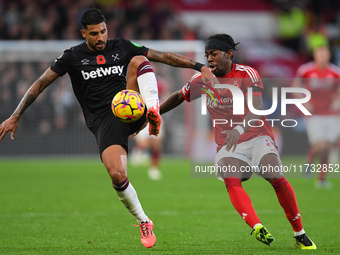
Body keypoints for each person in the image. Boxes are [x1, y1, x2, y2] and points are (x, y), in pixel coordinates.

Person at [0, 8, 215, 249]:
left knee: (140, 59)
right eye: (94, 34)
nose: (101, 38)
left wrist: (200, 66)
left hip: (130, 104)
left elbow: (162, 56)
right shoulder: (72, 56)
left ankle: (152, 111)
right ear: (84, 33)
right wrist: (15, 115)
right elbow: (40, 84)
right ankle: (144, 220)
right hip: (103, 120)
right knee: (117, 174)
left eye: (103, 32)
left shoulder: (121, 46)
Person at [158, 33, 317, 250]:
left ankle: (299, 233)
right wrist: (155, 113)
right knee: (230, 177)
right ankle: (257, 226)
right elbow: (178, 96)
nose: (209, 59)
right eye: (206, 55)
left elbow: (257, 108)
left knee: (276, 177)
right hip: (229, 145)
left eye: (213, 54)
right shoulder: (202, 79)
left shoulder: (247, 74)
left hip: (257, 136)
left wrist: (238, 128)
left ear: (229, 54)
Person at [292, 45, 340, 188]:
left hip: (331, 114)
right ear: (315, 55)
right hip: (314, 114)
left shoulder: (335, 72)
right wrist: (303, 102)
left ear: (329, 56)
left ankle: (321, 180)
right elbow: (295, 86)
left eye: (324, 54)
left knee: (327, 146)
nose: (322, 57)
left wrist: (337, 101)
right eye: (320, 54)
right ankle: (309, 163)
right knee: (320, 145)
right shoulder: (306, 70)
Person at [130, 68, 169, 180]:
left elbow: (166, 95)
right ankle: (137, 154)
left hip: (156, 115)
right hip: (141, 116)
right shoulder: (137, 83)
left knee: (156, 144)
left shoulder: (160, 83)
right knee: (143, 144)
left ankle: (154, 169)